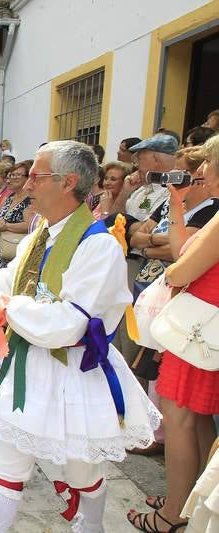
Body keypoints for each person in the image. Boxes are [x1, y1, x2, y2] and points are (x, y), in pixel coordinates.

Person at [0, 140, 160, 533]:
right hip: (29, 364)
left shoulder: (99, 246)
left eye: (36, 176)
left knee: (83, 469)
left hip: (76, 370)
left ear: (67, 182)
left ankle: (90, 527)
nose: (26, 184)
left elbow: (69, 324)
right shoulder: (41, 233)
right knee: (6, 464)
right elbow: (16, 279)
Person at [127, 135, 219, 532]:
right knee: (196, 419)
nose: (201, 170)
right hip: (199, 329)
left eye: (207, 162)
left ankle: (173, 515)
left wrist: (170, 272)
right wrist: (178, 204)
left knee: (179, 419)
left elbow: (180, 269)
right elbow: (184, 251)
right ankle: (189, 498)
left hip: (197, 330)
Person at [0, 161, 34, 268]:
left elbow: (29, 225)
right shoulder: (9, 198)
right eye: (11, 175)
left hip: (16, 254)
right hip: (0, 252)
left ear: (28, 178)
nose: (11, 178)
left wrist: (6, 226)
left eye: (17, 175)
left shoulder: (30, 200)